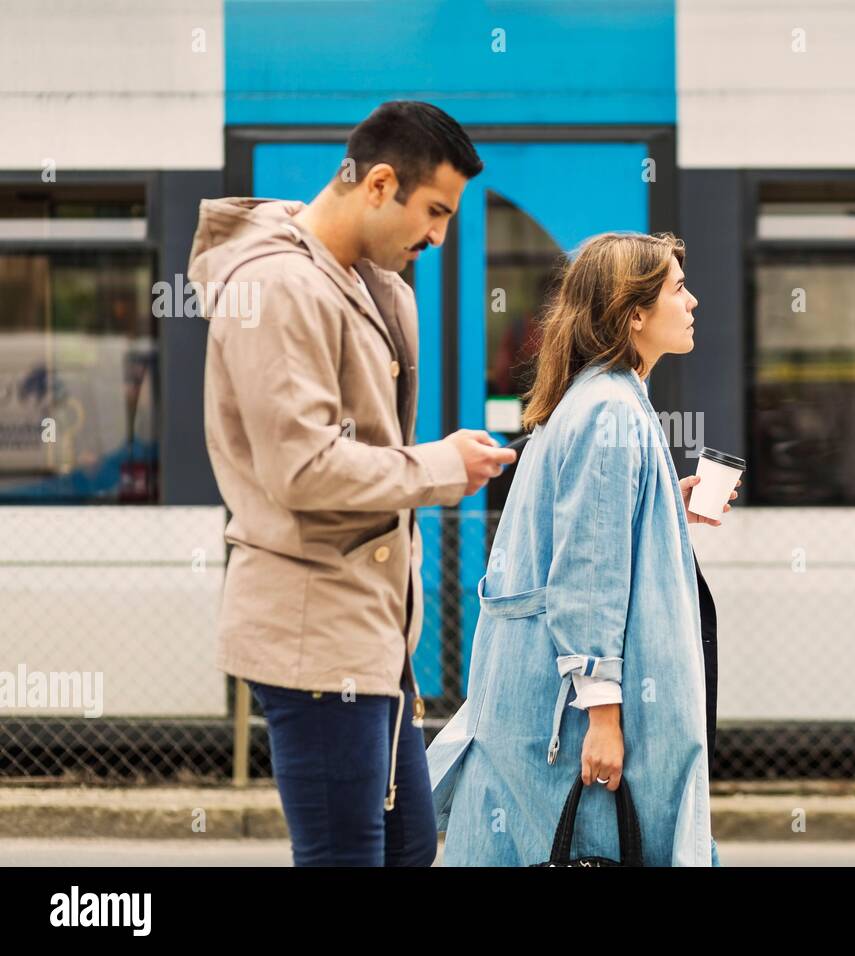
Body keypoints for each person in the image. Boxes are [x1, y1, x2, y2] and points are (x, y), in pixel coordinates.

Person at [190, 101, 516, 866]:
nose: (439, 236)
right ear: (377, 184)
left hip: (371, 638)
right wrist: (442, 467)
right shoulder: (277, 287)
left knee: (406, 849)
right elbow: (302, 469)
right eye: (434, 210)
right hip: (316, 636)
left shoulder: (372, 286)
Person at [427, 232, 739, 866]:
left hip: (538, 707)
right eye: (677, 289)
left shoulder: (595, 397)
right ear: (634, 314)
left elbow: (591, 533)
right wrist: (602, 716)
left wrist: (661, 505)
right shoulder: (612, 410)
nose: (693, 301)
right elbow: (586, 575)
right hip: (571, 722)